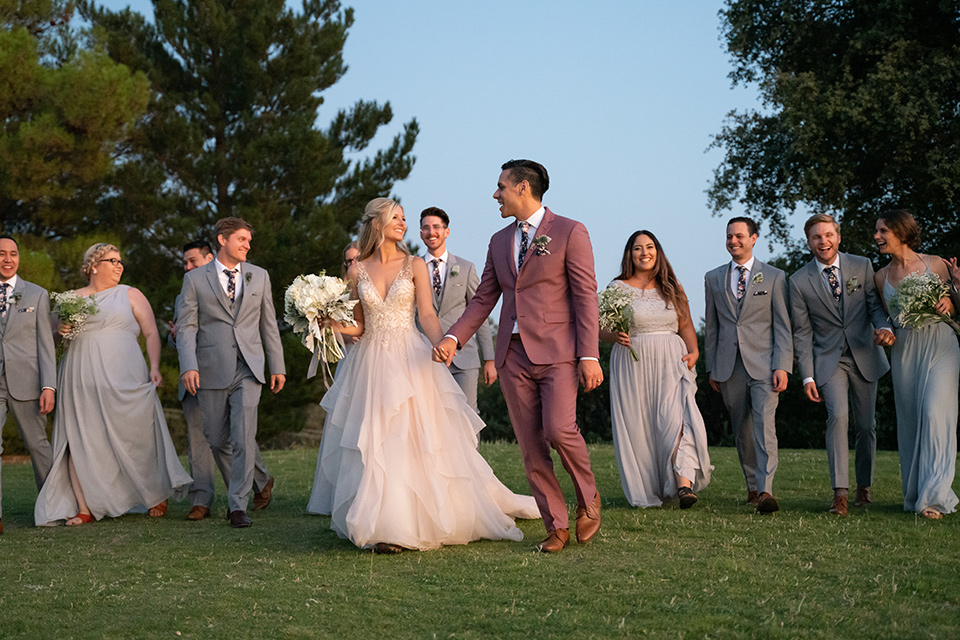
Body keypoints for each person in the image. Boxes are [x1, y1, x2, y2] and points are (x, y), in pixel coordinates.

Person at [307, 198, 538, 553]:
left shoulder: (414, 264)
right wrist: (328, 322)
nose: (402, 223)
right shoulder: (357, 271)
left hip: (409, 356)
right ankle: (382, 522)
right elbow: (359, 325)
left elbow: (428, 315)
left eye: (403, 218)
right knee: (377, 438)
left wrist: (443, 345)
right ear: (376, 223)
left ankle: (410, 520)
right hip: (370, 363)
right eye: (395, 218)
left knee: (410, 437)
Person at [434, 160, 604, 553]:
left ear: (523, 187)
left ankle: (589, 497)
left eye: (501, 187)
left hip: (559, 353)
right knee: (531, 445)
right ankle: (556, 526)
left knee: (559, 430)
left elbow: (585, 296)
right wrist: (453, 339)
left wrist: (589, 355)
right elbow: (482, 300)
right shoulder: (498, 241)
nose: (496, 195)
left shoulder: (569, 231)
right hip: (513, 356)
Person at [35, 243, 191, 526]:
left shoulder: (130, 294)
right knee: (79, 438)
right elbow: (49, 340)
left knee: (137, 434)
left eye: (121, 261)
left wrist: (155, 367)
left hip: (124, 374)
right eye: (113, 260)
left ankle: (154, 492)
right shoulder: (71, 298)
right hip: (78, 376)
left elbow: (151, 332)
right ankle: (85, 507)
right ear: (93, 265)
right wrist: (61, 330)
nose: (119, 266)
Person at [176, 217, 286, 528]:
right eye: (241, 239)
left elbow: (269, 323)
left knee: (243, 436)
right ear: (223, 240)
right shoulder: (195, 280)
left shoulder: (259, 276)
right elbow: (186, 327)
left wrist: (276, 365)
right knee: (216, 439)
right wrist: (189, 365)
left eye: (249, 241)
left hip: (249, 369)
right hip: (210, 367)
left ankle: (237, 505)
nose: (247, 245)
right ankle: (254, 483)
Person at [789, 214, 894, 516]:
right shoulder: (798, 281)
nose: (823, 241)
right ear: (808, 242)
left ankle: (864, 486)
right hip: (828, 360)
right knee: (837, 416)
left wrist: (884, 327)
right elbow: (802, 332)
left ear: (838, 237)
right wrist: (807, 376)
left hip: (865, 354)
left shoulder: (860, 265)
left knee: (866, 426)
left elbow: (875, 306)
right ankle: (840, 494)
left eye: (828, 235)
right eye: (816, 237)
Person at [599, 230, 712, 508]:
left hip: (671, 362)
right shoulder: (617, 288)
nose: (644, 252)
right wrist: (614, 337)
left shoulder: (672, 286)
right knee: (641, 428)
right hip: (632, 363)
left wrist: (695, 351)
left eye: (650, 247)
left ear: (658, 252)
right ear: (630, 254)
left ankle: (683, 485)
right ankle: (649, 488)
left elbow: (685, 324)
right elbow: (600, 328)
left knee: (677, 421)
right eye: (638, 248)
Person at [874, 209, 959, 520]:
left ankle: (936, 499)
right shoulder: (880, 276)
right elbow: (887, 318)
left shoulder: (935, 263)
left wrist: (953, 297)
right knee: (910, 422)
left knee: (936, 414)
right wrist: (884, 331)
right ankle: (915, 495)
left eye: (883, 231)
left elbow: (956, 304)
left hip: (941, 345)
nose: (877, 237)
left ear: (901, 233)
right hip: (906, 351)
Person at [704, 217, 792, 513]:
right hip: (729, 367)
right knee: (742, 430)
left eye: (739, 236)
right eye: (729, 236)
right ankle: (752, 487)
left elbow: (783, 326)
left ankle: (767, 491)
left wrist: (782, 365)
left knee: (765, 425)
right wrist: (712, 367)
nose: (733, 241)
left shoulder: (774, 276)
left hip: (766, 365)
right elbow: (713, 327)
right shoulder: (713, 278)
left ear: (754, 238)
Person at [0, 235, 55, 534]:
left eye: (13, 254)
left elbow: (45, 345)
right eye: (1, 254)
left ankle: (51, 508)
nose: (8, 259)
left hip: (28, 382)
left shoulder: (36, 294)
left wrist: (49, 386)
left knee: (38, 446)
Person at [417, 207, 496, 413]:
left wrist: (489, 359)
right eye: (425, 228)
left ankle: (471, 448)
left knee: (468, 414)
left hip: (464, 358)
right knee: (430, 417)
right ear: (420, 234)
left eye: (436, 227)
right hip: (424, 357)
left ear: (446, 232)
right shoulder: (411, 268)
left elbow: (479, 314)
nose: (431, 232)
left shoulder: (466, 267)